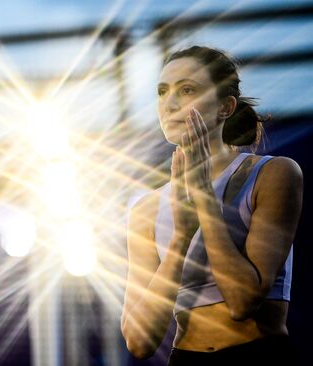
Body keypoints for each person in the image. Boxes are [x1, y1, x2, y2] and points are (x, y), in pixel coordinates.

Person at [120, 46, 303, 365]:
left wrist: (204, 201)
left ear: (225, 106)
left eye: (187, 89)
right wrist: (179, 238)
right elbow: (138, 341)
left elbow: (242, 302)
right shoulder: (146, 209)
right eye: (162, 91)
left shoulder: (273, 174)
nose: (170, 103)